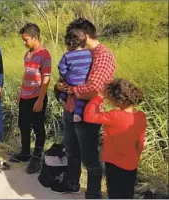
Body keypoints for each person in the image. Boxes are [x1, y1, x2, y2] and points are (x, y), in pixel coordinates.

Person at [54, 18, 117, 198]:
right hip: (70, 108)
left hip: (89, 113)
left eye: (76, 36)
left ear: (85, 35)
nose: (73, 42)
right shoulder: (82, 54)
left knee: (89, 156)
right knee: (72, 150)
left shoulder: (102, 55)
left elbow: (94, 88)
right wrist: (61, 86)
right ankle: (72, 183)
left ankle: (93, 193)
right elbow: (66, 76)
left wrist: (70, 89)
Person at [84, 79, 146, 199]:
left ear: (119, 100)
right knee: (127, 194)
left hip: (114, 162)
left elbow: (89, 116)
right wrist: (135, 158)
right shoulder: (141, 117)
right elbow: (140, 142)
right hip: (131, 163)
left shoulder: (114, 116)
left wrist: (99, 97)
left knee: (114, 194)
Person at [9, 23, 52, 174]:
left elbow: (46, 80)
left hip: (37, 97)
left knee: (38, 127)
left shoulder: (45, 54)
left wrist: (40, 100)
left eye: (26, 39)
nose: (24, 42)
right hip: (25, 97)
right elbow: (26, 75)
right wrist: (20, 93)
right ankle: (25, 153)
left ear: (35, 37)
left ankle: (37, 157)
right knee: (23, 125)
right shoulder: (27, 55)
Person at [57, 29, 92, 122]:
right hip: (83, 81)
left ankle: (63, 97)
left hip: (70, 80)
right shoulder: (89, 54)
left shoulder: (67, 56)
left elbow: (61, 68)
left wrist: (64, 76)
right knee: (80, 98)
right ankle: (77, 114)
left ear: (70, 43)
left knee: (65, 85)